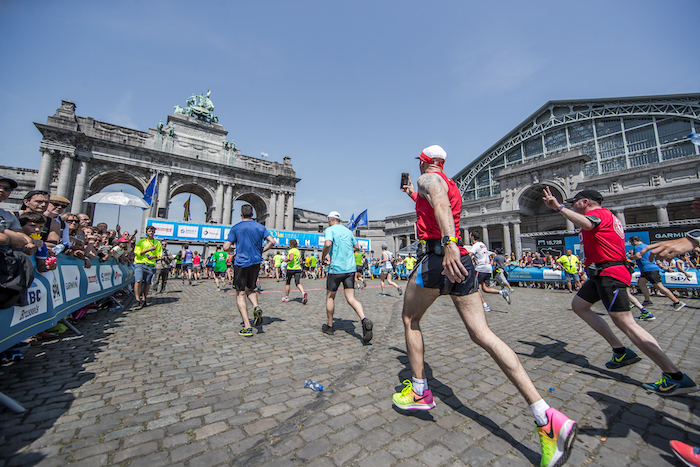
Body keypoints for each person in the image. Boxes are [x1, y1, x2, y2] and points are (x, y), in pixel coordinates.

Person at [397, 145, 577, 467]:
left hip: (440, 258)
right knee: (483, 334)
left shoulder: (430, 180)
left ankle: (420, 391)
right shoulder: (450, 184)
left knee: (410, 319)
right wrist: (414, 195)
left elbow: (435, 201)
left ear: (424, 163)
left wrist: (449, 245)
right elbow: (436, 206)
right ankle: (545, 414)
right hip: (461, 262)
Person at [542, 187, 698, 396]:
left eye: (574, 202)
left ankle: (675, 375)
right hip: (600, 272)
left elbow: (588, 224)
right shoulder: (604, 215)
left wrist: (559, 207)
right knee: (579, 306)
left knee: (626, 322)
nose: (571, 205)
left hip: (609, 272)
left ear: (585, 202)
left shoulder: (597, 214)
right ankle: (621, 351)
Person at [223, 204, 275, 337]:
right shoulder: (260, 227)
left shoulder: (236, 227)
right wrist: (261, 250)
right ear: (253, 214)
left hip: (241, 263)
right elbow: (272, 242)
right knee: (250, 289)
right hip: (256, 262)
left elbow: (225, 247)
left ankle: (247, 326)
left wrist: (231, 250)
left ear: (241, 214)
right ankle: (256, 306)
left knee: (240, 293)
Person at [321, 211, 372, 343]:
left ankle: (330, 326)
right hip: (350, 269)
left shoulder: (330, 230)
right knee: (351, 298)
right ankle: (364, 319)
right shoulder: (348, 231)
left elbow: (327, 244)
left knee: (330, 297)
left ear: (331, 220)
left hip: (335, 269)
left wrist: (323, 256)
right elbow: (356, 246)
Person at [628, 236, 686, 311]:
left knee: (659, 286)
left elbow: (638, 256)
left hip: (649, 269)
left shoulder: (638, 246)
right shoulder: (647, 246)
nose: (631, 244)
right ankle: (647, 300)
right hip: (646, 270)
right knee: (641, 283)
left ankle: (677, 302)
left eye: (631, 242)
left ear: (635, 241)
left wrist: (630, 256)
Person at [469, 231, 511, 310]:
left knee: (475, 287)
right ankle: (502, 292)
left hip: (481, 268)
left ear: (472, 237)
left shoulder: (475, 245)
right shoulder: (483, 245)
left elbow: (470, 255)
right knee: (485, 288)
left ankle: (484, 305)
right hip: (488, 268)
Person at [0, 177, 35, 254]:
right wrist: (9, 236)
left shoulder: (9, 215)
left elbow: (23, 238)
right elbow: (3, 239)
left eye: (7, 188)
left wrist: (29, 243)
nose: (2, 190)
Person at [133, 225, 162, 309]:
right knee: (138, 280)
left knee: (147, 283)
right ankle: (137, 299)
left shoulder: (157, 243)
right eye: (149, 231)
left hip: (150, 264)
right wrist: (148, 250)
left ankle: (144, 299)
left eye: (152, 231)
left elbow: (159, 254)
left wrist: (154, 256)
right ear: (146, 232)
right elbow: (137, 252)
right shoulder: (141, 241)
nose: (151, 233)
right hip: (140, 263)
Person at [282, 239, 307, 304]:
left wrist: (286, 260)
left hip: (290, 268)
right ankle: (303, 292)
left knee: (288, 282)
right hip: (298, 268)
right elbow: (301, 261)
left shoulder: (291, 251)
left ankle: (286, 297)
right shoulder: (298, 251)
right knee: (297, 282)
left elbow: (291, 258)